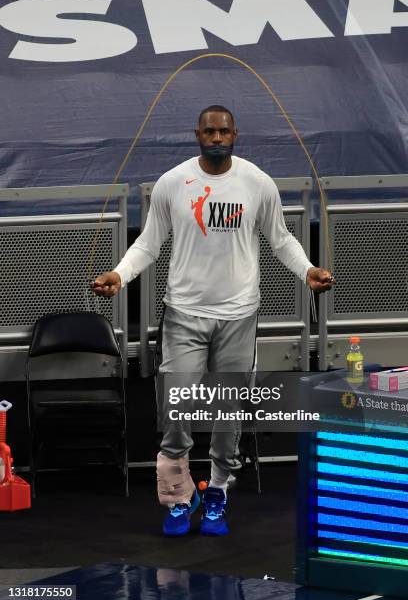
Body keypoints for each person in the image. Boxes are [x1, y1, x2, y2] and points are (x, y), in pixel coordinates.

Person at [92, 105, 334, 537]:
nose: (217, 137)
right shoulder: (173, 183)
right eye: (209, 131)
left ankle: (218, 491)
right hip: (184, 314)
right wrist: (119, 274)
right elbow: (148, 243)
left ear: (235, 135)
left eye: (223, 131)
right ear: (197, 134)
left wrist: (308, 271)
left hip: (239, 316)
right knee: (176, 408)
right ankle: (177, 498)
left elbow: (280, 238)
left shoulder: (256, 182)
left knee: (228, 411)